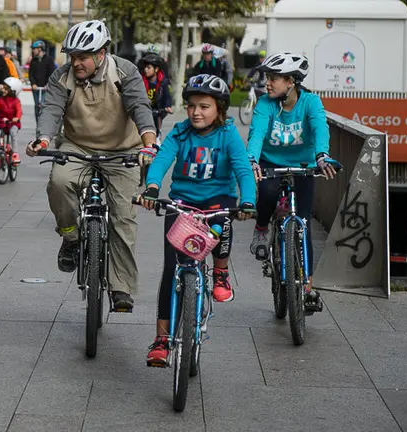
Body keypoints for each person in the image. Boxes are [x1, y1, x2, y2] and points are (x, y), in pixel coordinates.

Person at [25, 20, 158, 311]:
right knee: (59, 182)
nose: (76, 62)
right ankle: (70, 237)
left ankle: (121, 288)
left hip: (122, 150)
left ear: (101, 54)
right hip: (77, 146)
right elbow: (51, 110)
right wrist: (43, 140)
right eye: (71, 56)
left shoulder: (125, 71)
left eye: (82, 56)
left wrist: (149, 142)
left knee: (123, 217)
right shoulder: (62, 76)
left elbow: (140, 107)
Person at [136, 74, 256, 366]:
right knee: (170, 271)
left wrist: (248, 201)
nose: (196, 112)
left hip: (217, 202)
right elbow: (163, 159)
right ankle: (162, 340)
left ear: (220, 110)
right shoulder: (179, 132)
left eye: (204, 106)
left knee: (223, 221)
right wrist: (152, 187)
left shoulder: (228, 134)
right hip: (182, 204)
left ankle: (220, 272)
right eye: (191, 106)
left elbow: (242, 170)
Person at [247, 51, 341, 313]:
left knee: (302, 224)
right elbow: (256, 134)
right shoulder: (266, 104)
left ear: (291, 82)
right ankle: (263, 229)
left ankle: (307, 286)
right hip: (270, 163)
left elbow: (321, 127)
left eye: (274, 78)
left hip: (304, 166)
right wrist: (252, 160)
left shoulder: (311, 102)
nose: (268, 83)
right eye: (267, 77)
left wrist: (322, 155)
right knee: (266, 193)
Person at [0, 77, 23, 165]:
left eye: (6, 89)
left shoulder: (16, 101)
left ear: (13, 90)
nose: (3, 90)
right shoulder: (0, 100)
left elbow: (19, 111)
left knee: (13, 133)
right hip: (2, 123)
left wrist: (17, 117)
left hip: (13, 123)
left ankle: (15, 154)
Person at [139, 54, 172, 138]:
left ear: (156, 69)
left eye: (149, 67)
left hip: (158, 108)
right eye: (145, 67)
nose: (146, 70)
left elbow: (167, 96)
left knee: (157, 121)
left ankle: (158, 136)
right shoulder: (141, 81)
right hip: (146, 108)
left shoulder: (163, 82)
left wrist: (168, 106)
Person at [28, 40, 56, 123]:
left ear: (40, 49)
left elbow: (52, 73)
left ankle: (44, 123)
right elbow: (31, 74)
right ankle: (38, 124)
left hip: (45, 88)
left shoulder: (49, 60)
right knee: (37, 106)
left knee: (44, 105)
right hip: (36, 88)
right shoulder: (33, 61)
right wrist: (33, 84)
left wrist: (48, 84)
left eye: (34, 49)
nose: (33, 51)